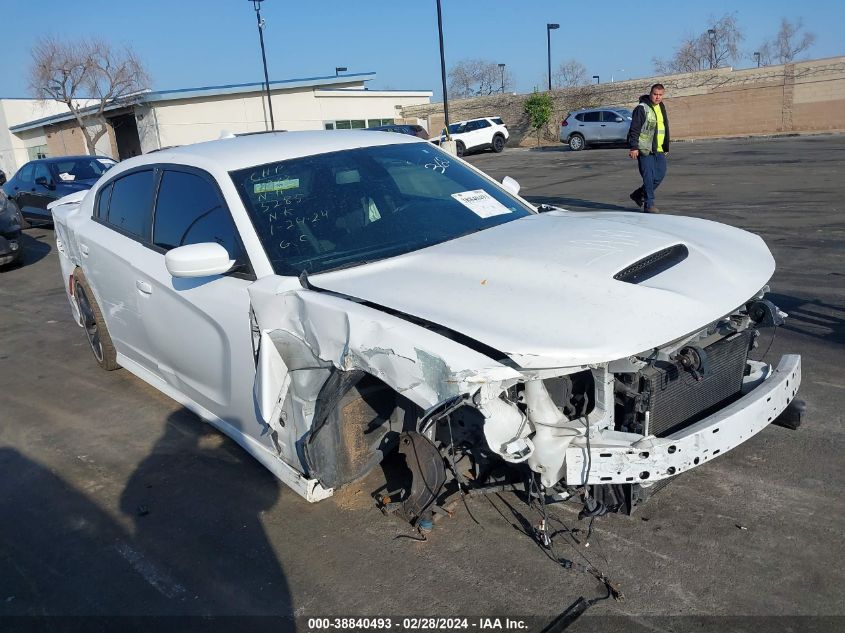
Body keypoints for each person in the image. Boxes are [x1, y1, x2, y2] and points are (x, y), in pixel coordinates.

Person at [627, 83, 670, 213]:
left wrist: (665, 146)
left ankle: (638, 194)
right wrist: (633, 147)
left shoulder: (661, 107)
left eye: (660, 95)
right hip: (644, 149)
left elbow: (664, 128)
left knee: (660, 175)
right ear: (650, 94)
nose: (657, 97)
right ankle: (649, 205)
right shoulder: (641, 108)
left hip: (659, 149)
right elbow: (634, 129)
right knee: (648, 177)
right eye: (655, 94)